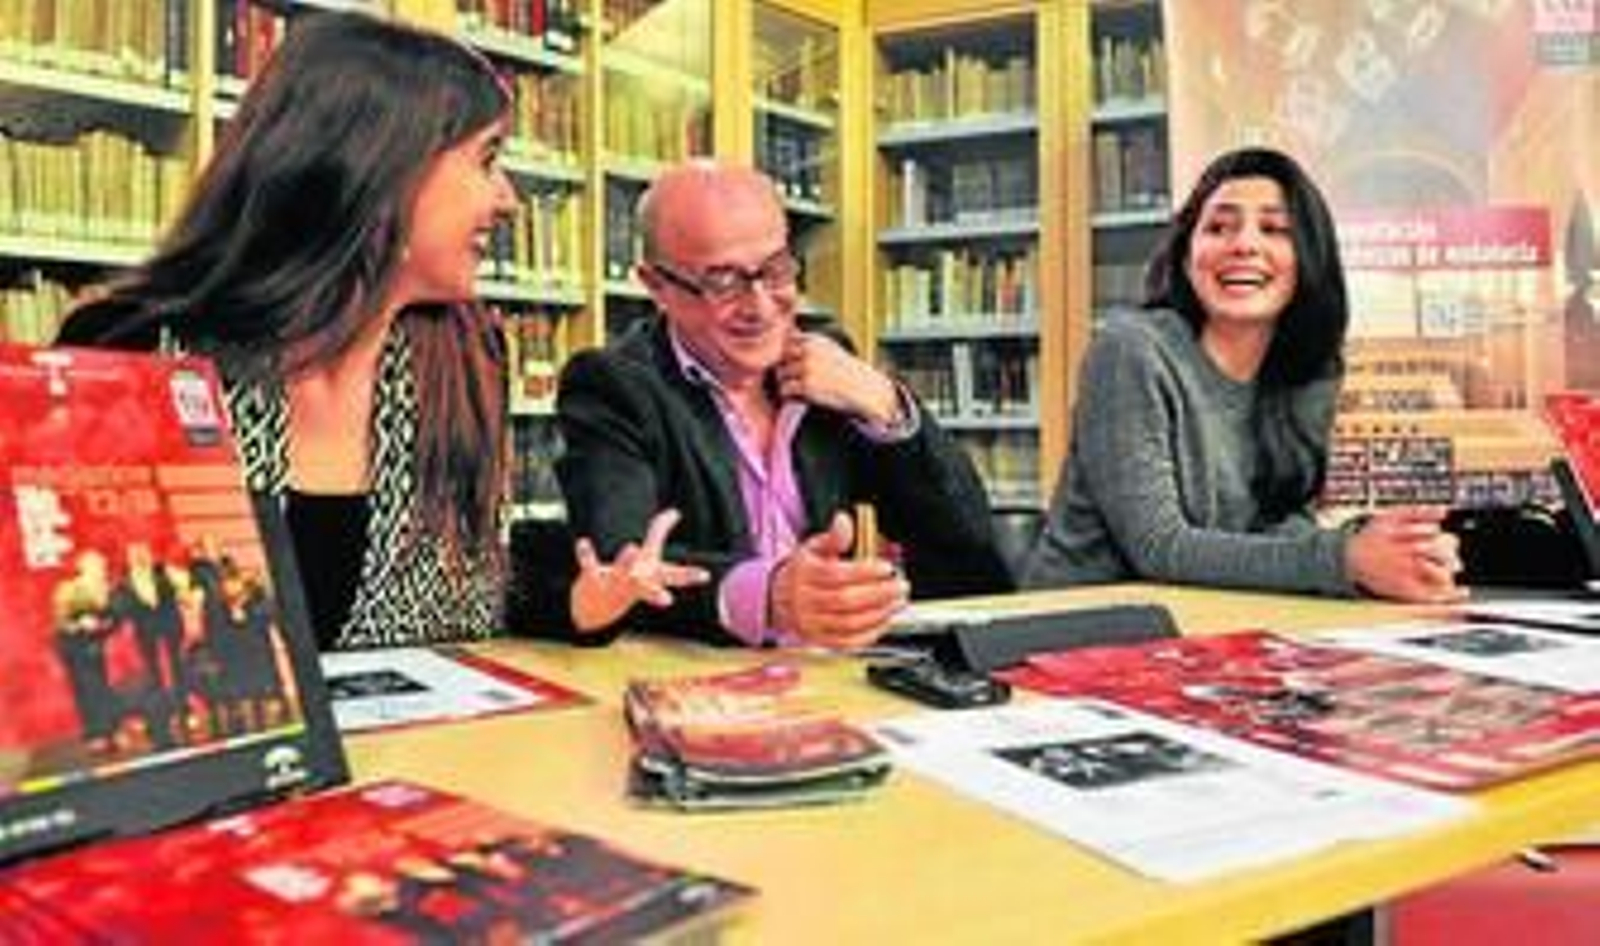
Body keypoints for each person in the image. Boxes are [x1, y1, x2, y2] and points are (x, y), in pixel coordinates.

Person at [55, 12, 703, 648]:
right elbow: (62, 615)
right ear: (381, 171)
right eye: (487, 160)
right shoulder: (126, 355)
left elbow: (472, 580)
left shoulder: (464, 357)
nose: (507, 200)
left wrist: (578, 603)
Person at [556, 160, 1011, 649]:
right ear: (657, 286)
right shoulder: (613, 386)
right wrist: (767, 594)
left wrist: (885, 403)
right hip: (703, 689)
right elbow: (624, 565)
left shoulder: (829, 364)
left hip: (835, 678)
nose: (760, 306)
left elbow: (966, 543)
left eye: (775, 270)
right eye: (723, 282)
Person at [1022, 146, 1462, 603]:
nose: (1244, 245)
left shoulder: (1308, 372)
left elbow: (1280, 522)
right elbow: (1158, 546)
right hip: (1078, 630)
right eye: (1217, 227)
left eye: (1274, 229)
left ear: (1309, 256)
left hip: (1207, 626)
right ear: (1187, 254)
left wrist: (1395, 551)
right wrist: (1346, 559)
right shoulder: (1130, 350)